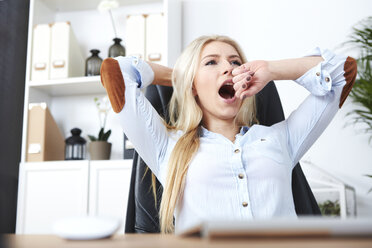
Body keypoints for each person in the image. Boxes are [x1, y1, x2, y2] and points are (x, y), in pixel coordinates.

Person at [100, 35, 357, 234]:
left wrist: (271, 69)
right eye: (211, 62)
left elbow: (342, 72)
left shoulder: (281, 139)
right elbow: (115, 72)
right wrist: (180, 77)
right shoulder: (168, 147)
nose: (230, 69)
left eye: (235, 62)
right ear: (193, 85)